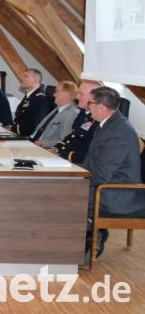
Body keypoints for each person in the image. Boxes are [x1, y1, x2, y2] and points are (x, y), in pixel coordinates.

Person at [83, 87, 145, 256]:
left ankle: (92, 237)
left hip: (117, 192)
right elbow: (93, 163)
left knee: (67, 195)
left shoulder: (118, 131)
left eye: (90, 103)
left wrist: (77, 182)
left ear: (101, 106)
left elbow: (102, 174)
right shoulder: (110, 124)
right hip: (108, 185)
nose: (88, 107)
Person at [52, 81, 102, 163]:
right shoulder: (83, 112)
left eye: (81, 94)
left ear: (94, 97)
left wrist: (62, 154)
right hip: (67, 158)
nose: (77, 97)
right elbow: (73, 136)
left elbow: (87, 150)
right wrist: (56, 148)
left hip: (78, 163)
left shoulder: (98, 119)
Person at [31, 81, 80, 149]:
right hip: (32, 142)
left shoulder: (72, 113)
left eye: (57, 91)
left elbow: (65, 140)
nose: (54, 95)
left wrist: (43, 143)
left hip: (45, 149)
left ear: (66, 94)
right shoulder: (57, 109)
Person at [12, 68, 52, 136]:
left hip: (27, 138)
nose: (21, 78)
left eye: (25, 76)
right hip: (18, 133)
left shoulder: (40, 99)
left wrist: (13, 129)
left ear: (35, 81)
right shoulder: (30, 95)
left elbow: (35, 126)